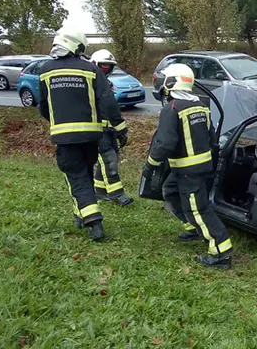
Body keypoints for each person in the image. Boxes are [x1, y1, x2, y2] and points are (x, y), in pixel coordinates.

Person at [39, 27, 127, 240]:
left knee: (76, 176)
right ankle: (80, 214)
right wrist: (120, 128)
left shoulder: (46, 70)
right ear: (76, 46)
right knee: (85, 172)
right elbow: (107, 101)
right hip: (91, 136)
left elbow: (43, 105)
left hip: (64, 137)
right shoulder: (90, 69)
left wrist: (57, 122)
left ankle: (93, 220)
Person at [143, 63, 233, 269]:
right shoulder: (200, 105)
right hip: (198, 168)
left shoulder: (172, 108)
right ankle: (193, 228)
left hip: (188, 171)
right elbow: (210, 135)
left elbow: (164, 143)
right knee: (170, 191)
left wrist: (151, 165)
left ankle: (221, 252)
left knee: (199, 209)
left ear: (171, 82)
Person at [89, 49, 133, 206]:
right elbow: (110, 107)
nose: (105, 69)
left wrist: (116, 129)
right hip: (96, 130)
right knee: (109, 159)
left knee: (109, 157)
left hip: (108, 130)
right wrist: (121, 129)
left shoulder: (105, 83)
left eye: (109, 66)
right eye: (103, 66)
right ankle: (117, 194)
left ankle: (99, 191)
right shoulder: (93, 83)